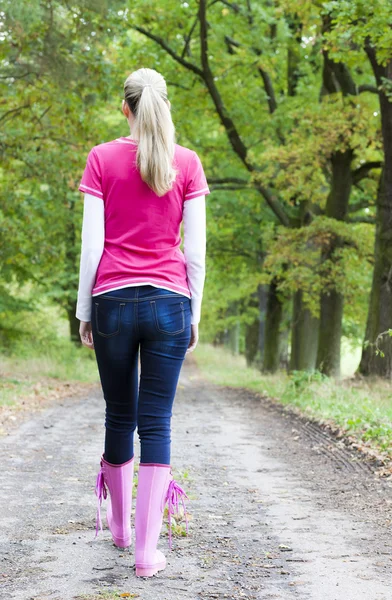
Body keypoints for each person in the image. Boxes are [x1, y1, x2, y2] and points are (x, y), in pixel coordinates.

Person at [75, 67, 210, 577]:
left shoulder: (101, 158)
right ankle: (146, 554)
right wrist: (193, 311)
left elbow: (92, 248)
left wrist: (85, 310)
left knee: (118, 415)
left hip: (112, 299)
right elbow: (194, 253)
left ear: (125, 108)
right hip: (169, 301)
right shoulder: (188, 163)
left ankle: (120, 528)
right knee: (156, 421)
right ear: (164, 105)